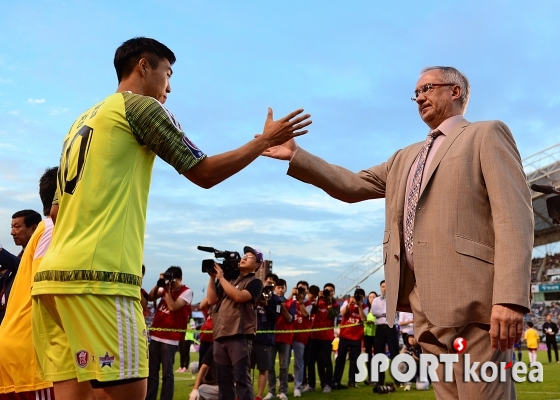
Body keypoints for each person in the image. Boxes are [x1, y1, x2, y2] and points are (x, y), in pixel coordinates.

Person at [30, 37, 310, 400]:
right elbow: (204, 172)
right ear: (144, 67)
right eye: (167, 73)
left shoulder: (81, 122)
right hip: (100, 278)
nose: (169, 86)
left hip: (52, 281)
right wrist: (262, 142)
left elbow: (55, 210)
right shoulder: (140, 107)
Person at [263, 65, 533, 399]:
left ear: (455, 91)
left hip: (474, 305)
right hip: (425, 308)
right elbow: (352, 185)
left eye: (427, 88)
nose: (419, 97)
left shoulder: (486, 134)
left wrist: (510, 299)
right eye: (415, 93)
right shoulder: (404, 158)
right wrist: (296, 155)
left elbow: (514, 217)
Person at [0, 167, 59, 399]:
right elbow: (45, 290)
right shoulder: (54, 228)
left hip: (17, 346)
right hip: (31, 353)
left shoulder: (43, 232)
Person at [206, 246, 264, 400]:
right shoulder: (229, 279)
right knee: (223, 382)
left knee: (241, 380)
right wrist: (212, 277)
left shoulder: (255, 282)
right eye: (244, 255)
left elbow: (239, 297)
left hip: (240, 335)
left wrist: (221, 278)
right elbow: (211, 301)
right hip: (220, 334)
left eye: (250, 257)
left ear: (258, 265)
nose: (244, 258)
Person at [146, 266, 192, 400]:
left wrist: (167, 290)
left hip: (170, 338)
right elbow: (150, 297)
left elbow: (173, 307)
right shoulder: (166, 287)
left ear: (180, 279)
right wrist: (159, 283)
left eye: (174, 281)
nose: (171, 284)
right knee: (152, 373)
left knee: (167, 374)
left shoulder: (186, 291)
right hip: (156, 335)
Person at [1, 209, 41, 324]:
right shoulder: (15, 260)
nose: (12, 232)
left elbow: (22, 267)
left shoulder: (39, 255)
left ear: (33, 229)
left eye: (17, 227)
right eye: (12, 227)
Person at [265, 279, 295, 400]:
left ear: (285, 289)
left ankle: (283, 391)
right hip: (271, 338)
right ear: (274, 289)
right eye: (278, 287)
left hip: (285, 338)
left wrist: (282, 307)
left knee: (284, 366)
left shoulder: (290, 303)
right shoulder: (269, 302)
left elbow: (290, 319)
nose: (280, 290)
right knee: (269, 366)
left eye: (282, 287)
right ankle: (271, 391)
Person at [252, 273, 280, 400]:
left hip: (265, 338)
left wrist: (267, 306)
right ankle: (242, 393)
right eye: (267, 281)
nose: (269, 283)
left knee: (263, 368)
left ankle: (258, 396)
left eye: (272, 282)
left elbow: (277, 317)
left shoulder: (276, 300)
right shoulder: (255, 293)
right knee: (245, 367)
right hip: (250, 336)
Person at [308, 283, 339, 394]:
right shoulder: (319, 301)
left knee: (326, 361)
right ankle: (311, 385)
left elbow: (332, 315)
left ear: (333, 292)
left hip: (326, 337)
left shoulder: (335, 304)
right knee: (311, 361)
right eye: (326, 290)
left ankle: (327, 384)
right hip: (315, 335)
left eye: (330, 291)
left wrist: (329, 302)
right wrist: (317, 298)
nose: (328, 292)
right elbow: (312, 311)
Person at [332, 287, 367, 389]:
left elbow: (364, 318)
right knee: (340, 359)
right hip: (345, 335)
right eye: (357, 296)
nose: (358, 298)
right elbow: (342, 313)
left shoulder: (364, 306)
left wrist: (359, 306)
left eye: (360, 297)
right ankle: (336, 381)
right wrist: (350, 304)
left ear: (363, 297)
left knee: (354, 360)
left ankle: (352, 381)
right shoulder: (347, 302)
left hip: (356, 337)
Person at [370, 281, 399, 387]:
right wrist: (386, 312)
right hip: (380, 329)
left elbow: (393, 311)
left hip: (391, 327)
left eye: (386, 286)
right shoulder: (376, 300)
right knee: (379, 354)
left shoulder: (394, 299)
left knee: (394, 353)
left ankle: (398, 379)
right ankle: (379, 380)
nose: (384, 289)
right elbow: (374, 312)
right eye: (382, 287)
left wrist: (383, 312)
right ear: (380, 288)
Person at [290, 281, 311, 398]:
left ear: (307, 291)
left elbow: (305, 314)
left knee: (299, 363)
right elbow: (284, 305)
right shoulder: (291, 301)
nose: (302, 291)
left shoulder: (308, 304)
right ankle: (283, 389)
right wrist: (291, 295)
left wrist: (300, 301)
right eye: (300, 289)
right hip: (288, 335)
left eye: (304, 289)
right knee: (284, 363)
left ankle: (297, 387)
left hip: (300, 337)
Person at [301, 284, 320, 393]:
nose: (311, 298)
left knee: (310, 361)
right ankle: (304, 382)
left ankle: (311, 384)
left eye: (314, 297)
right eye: (310, 296)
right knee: (302, 360)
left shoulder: (313, 305)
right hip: (303, 335)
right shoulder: (303, 302)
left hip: (312, 336)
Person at [363, 291, 377, 385]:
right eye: (370, 297)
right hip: (367, 335)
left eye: (373, 297)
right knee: (368, 357)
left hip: (376, 335)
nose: (372, 298)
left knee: (377, 357)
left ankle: (376, 378)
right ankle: (370, 377)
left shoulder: (379, 309)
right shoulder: (366, 309)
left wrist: (372, 322)